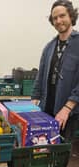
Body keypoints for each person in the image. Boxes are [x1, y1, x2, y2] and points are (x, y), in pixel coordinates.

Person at [31, 0, 79, 142]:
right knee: (43, 150)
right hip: (47, 110)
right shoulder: (49, 47)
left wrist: (66, 109)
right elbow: (40, 78)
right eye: (55, 18)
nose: (58, 21)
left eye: (62, 16)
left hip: (68, 114)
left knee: (60, 154)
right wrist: (33, 102)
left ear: (71, 16)